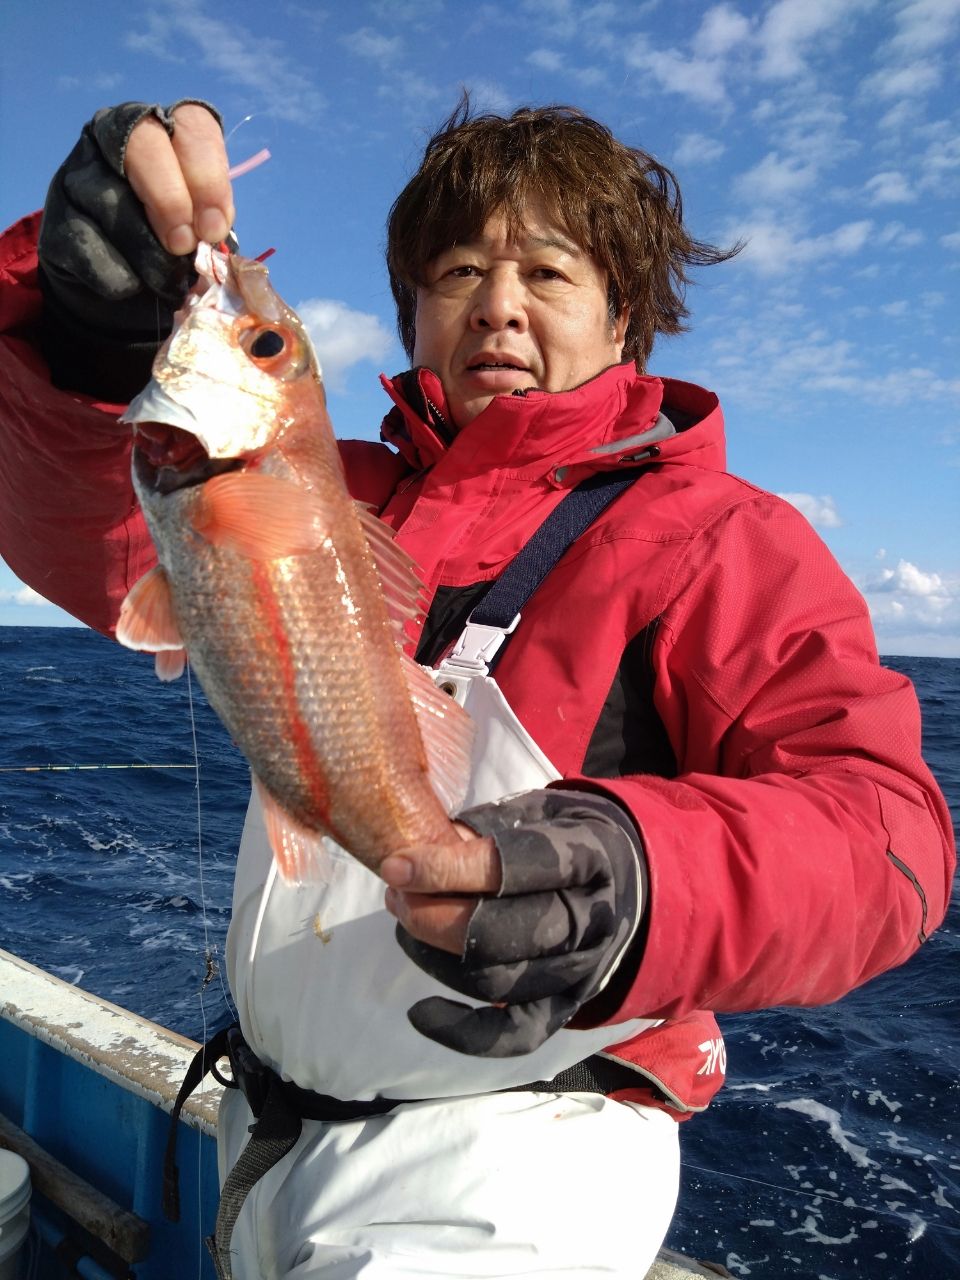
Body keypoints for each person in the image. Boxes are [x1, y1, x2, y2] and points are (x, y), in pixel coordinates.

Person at [0, 99, 954, 1280]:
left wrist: (633, 877)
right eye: (459, 270)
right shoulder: (341, 484)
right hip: (270, 1130)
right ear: (413, 310)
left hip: (518, 1164)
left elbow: (893, 835)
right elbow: (87, 536)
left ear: (625, 318)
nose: (498, 303)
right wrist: (84, 339)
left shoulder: (723, 537)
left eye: (547, 270)